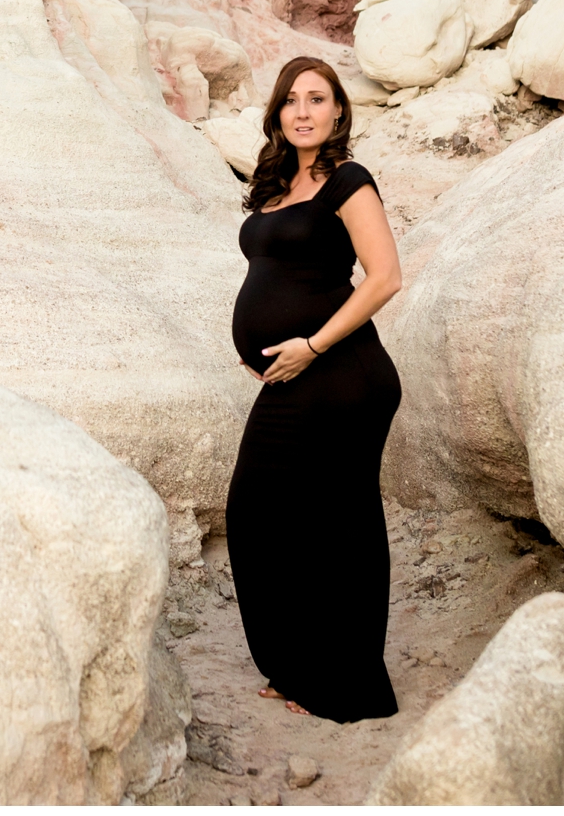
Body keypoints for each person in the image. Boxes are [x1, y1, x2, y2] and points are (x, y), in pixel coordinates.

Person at [225, 55, 405, 721]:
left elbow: (384, 276)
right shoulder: (275, 184)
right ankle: (298, 666)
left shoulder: (348, 181)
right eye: (291, 100)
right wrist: (263, 347)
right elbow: (277, 276)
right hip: (297, 374)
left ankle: (349, 686)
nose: (302, 110)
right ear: (277, 113)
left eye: (317, 98)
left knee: (341, 523)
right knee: (258, 513)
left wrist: (311, 344)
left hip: (344, 373)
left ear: (337, 111)